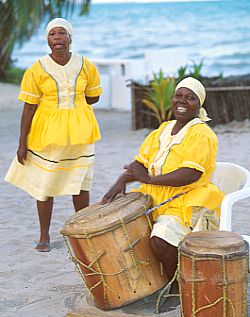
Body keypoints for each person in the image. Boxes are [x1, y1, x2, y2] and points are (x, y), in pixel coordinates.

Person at [102, 77, 224, 287]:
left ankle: (175, 284)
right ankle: (154, 278)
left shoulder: (202, 134)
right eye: (179, 95)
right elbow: (139, 163)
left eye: (190, 98)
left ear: (199, 103)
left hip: (187, 201)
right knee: (128, 235)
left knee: (160, 240)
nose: (182, 101)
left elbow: (190, 174)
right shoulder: (163, 130)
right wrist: (123, 179)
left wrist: (150, 179)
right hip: (155, 197)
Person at [5, 18, 102, 252]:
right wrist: (22, 143)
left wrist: (74, 104)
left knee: (80, 183)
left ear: (70, 38)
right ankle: (44, 236)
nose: (57, 38)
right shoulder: (37, 69)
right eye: (52, 34)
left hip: (80, 132)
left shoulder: (85, 65)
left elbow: (93, 96)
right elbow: (29, 107)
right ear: (47, 40)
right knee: (45, 184)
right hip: (47, 133)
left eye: (62, 33)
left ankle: (81, 231)